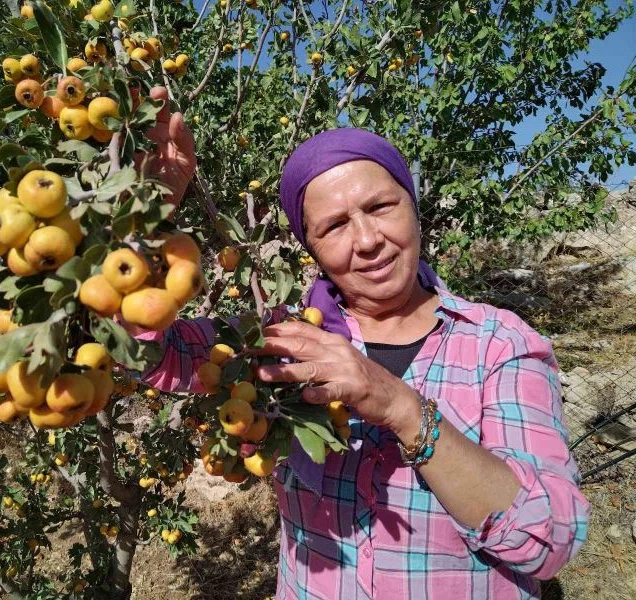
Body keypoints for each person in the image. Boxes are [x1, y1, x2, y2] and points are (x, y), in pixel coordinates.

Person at [137, 88, 589, 599]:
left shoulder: (499, 345)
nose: (368, 240)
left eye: (381, 206)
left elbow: (549, 542)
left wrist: (400, 407)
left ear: (413, 207)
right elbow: (150, 354)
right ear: (312, 248)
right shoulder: (283, 340)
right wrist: (145, 217)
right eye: (334, 226)